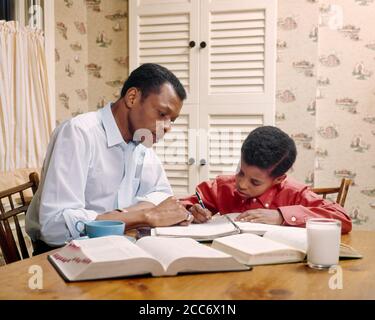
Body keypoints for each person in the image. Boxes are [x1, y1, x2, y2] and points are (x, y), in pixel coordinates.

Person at [26, 63, 192, 254]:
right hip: (63, 253)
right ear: (132, 98)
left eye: (172, 120)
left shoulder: (142, 142)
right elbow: (54, 227)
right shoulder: (78, 133)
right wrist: (145, 215)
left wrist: (126, 215)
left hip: (117, 246)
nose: (168, 127)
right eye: (162, 114)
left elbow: (161, 195)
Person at [181, 126, 352, 234]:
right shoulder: (222, 186)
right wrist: (190, 212)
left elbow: (342, 219)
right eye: (240, 172)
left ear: (278, 179)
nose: (241, 184)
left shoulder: (293, 193)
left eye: (255, 182)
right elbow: (180, 206)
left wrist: (280, 216)